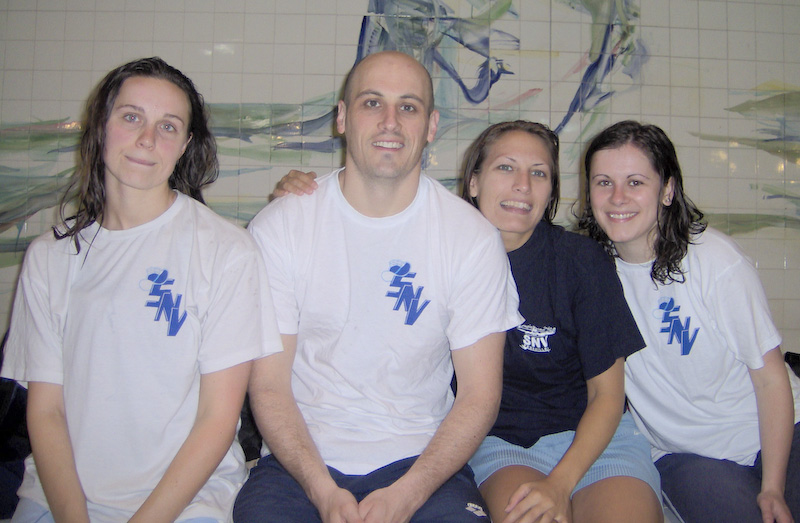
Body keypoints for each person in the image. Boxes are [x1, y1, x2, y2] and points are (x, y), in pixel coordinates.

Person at [273, 120, 664, 523]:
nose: (522, 186)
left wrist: (561, 483)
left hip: (596, 441)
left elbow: (607, 397)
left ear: (551, 192)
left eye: (539, 173)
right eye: (505, 168)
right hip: (501, 444)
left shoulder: (580, 262)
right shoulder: (437, 248)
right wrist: (304, 198)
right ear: (473, 181)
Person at [234, 51, 521, 523]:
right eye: (372, 103)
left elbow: (479, 395)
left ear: (431, 125)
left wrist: (406, 495)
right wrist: (322, 492)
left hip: (422, 464)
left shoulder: (470, 239)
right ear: (342, 118)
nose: (390, 121)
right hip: (299, 465)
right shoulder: (282, 227)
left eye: (408, 106)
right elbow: (268, 386)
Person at [1, 57, 282, 522]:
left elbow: (216, 419)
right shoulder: (49, 257)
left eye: (168, 126)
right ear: (100, 125)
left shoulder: (227, 251)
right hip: (60, 496)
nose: (147, 139)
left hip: (188, 502)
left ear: (185, 145)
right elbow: (46, 411)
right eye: (131, 117)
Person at [578, 120, 800, 523]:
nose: (617, 197)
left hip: (781, 431)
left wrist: (773, 486)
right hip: (686, 455)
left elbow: (770, 377)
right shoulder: (590, 273)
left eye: (635, 182)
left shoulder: (713, 259)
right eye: (603, 182)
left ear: (667, 190)